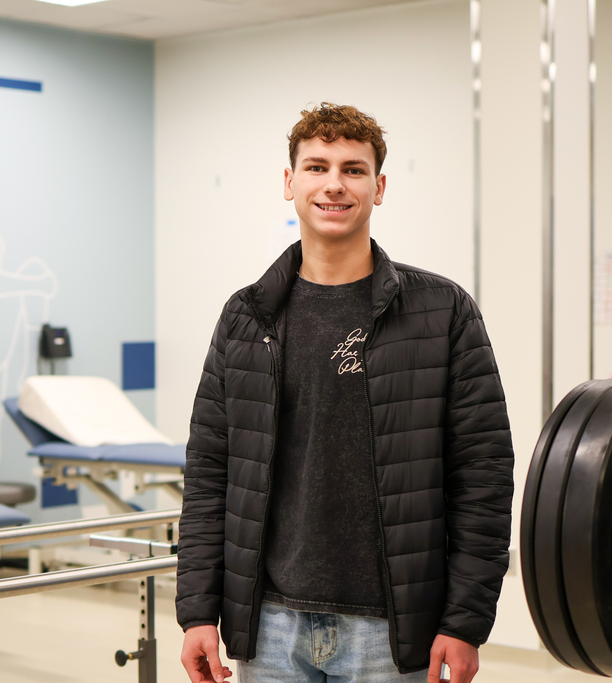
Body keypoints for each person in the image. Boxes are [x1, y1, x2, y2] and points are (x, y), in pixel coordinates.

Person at [176, 103, 514, 683]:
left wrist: (464, 622)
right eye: (317, 166)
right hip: (270, 624)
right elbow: (210, 472)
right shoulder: (245, 317)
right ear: (290, 183)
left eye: (354, 170)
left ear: (379, 188)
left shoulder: (442, 311)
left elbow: (483, 474)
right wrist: (197, 611)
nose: (334, 184)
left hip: (390, 630)